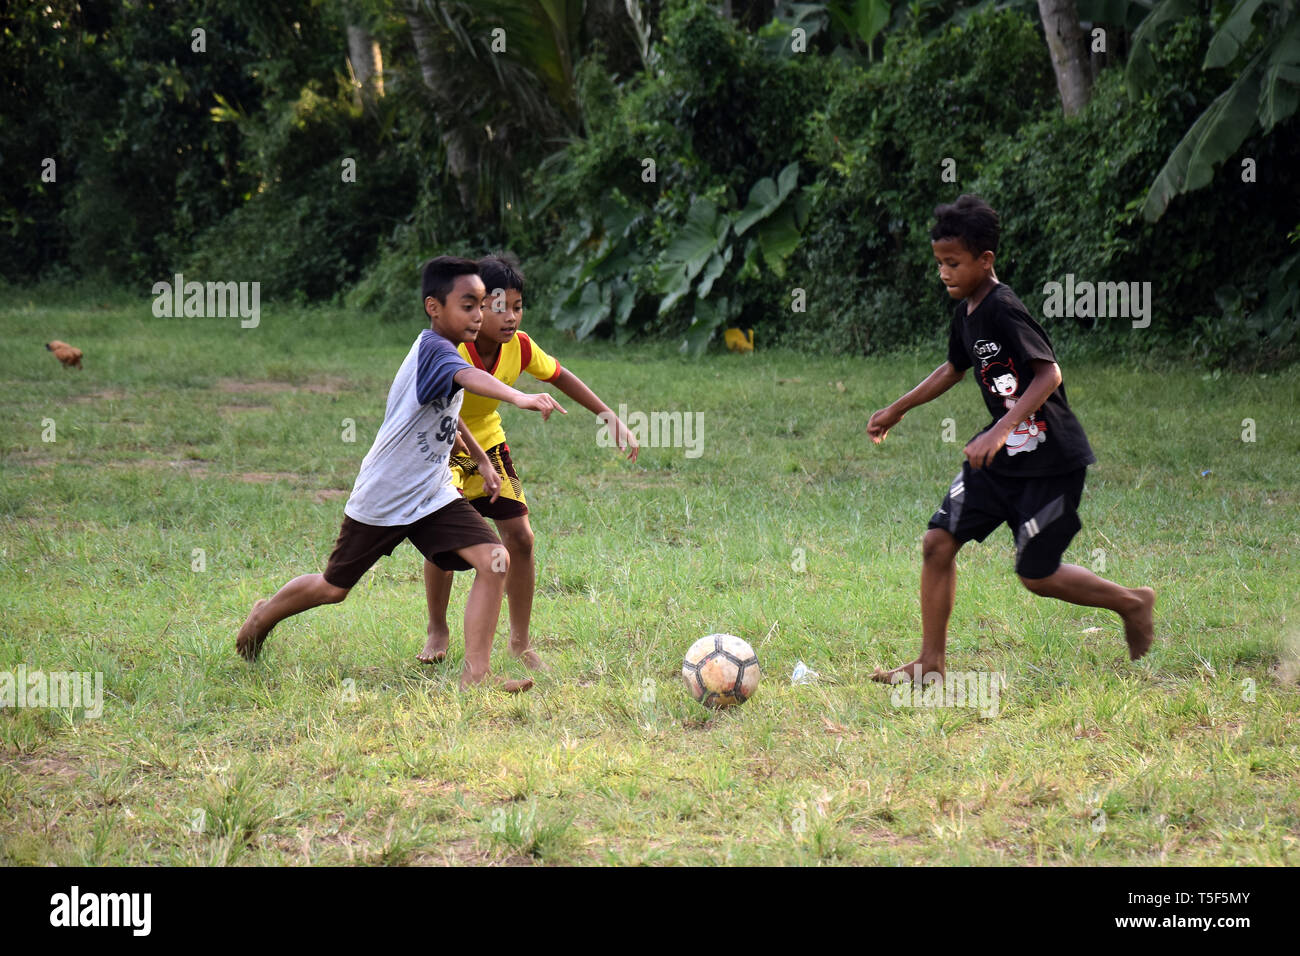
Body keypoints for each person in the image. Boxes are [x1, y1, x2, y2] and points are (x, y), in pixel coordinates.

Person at [235, 256, 565, 691]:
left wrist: (480, 459)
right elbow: (466, 377)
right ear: (434, 307)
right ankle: (263, 615)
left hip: (431, 494)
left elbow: (451, 407)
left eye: (482, 305)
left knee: (495, 561)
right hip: (386, 495)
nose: (479, 315)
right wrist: (519, 397)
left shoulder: (445, 355)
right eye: (468, 305)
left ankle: (477, 677)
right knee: (334, 588)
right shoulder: (434, 350)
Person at [866, 195, 1155, 684]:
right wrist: (898, 408)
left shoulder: (1004, 307)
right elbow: (954, 369)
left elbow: (1049, 375)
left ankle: (1131, 602)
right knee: (937, 543)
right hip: (998, 461)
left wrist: (1000, 431)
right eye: (939, 263)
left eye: (953, 263)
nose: (944, 273)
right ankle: (930, 663)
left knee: (1036, 575)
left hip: (1051, 461)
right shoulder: (966, 313)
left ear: (986, 261)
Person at [419, 253, 639, 670]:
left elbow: (561, 375)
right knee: (443, 541)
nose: (511, 317)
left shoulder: (519, 347)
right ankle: (437, 629)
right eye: (499, 307)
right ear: (475, 304)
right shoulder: (451, 346)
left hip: (491, 444)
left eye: (518, 307)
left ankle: (519, 642)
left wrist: (609, 416)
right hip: (445, 446)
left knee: (520, 538)